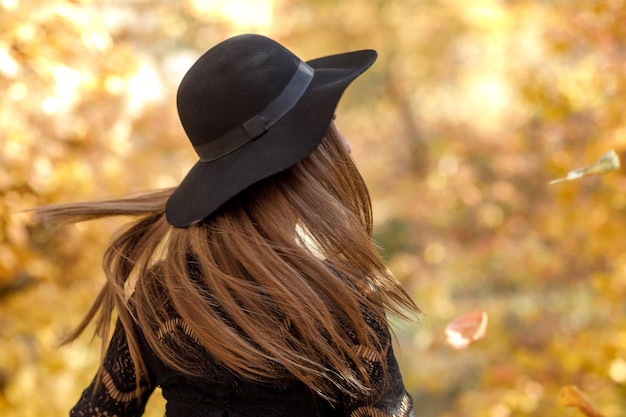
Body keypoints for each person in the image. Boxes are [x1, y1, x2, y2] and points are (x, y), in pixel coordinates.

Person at [33, 34, 420, 417]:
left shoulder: (163, 298)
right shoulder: (342, 305)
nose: (347, 144)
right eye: (331, 122)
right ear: (299, 156)